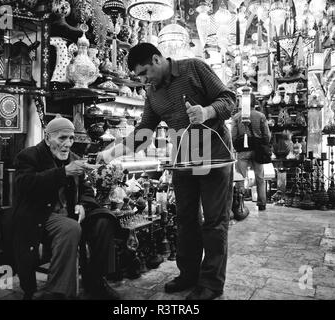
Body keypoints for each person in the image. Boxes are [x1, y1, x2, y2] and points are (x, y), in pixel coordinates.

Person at [97, 43, 236, 300]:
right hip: (183, 159)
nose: (143, 79)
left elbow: (230, 99)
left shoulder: (193, 68)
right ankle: (188, 274)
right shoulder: (152, 93)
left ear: (157, 59)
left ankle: (211, 284)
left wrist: (206, 111)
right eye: (139, 76)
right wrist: (111, 153)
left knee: (215, 223)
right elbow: (144, 132)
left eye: (145, 72)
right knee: (185, 220)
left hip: (215, 157)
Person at [12, 116, 120, 300]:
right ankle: (57, 292)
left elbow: (87, 190)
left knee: (105, 221)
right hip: (41, 216)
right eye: (62, 138)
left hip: (71, 213)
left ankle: (96, 280)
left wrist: (83, 205)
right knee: (70, 228)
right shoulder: (29, 156)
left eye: (71, 138)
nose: (68, 144)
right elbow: (24, 184)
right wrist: (63, 172)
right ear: (47, 138)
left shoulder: (74, 158)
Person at [231, 94, 271, 211]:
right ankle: (262, 204)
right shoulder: (261, 116)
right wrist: (264, 145)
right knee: (260, 177)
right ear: (255, 103)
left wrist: (236, 147)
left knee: (240, 178)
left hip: (242, 151)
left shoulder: (237, 117)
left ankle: (240, 204)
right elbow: (267, 135)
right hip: (258, 150)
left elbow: (233, 136)